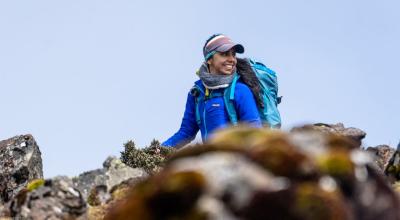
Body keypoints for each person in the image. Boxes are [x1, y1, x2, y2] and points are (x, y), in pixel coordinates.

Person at [162, 34, 263, 148]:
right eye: (224, 54)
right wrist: (160, 150)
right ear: (209, 59)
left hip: (236, 160)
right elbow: (186, 133)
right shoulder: (196, 93)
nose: (231, 59)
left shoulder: (240, 90)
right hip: (212, 160)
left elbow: (254, 130)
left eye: (233, 54)